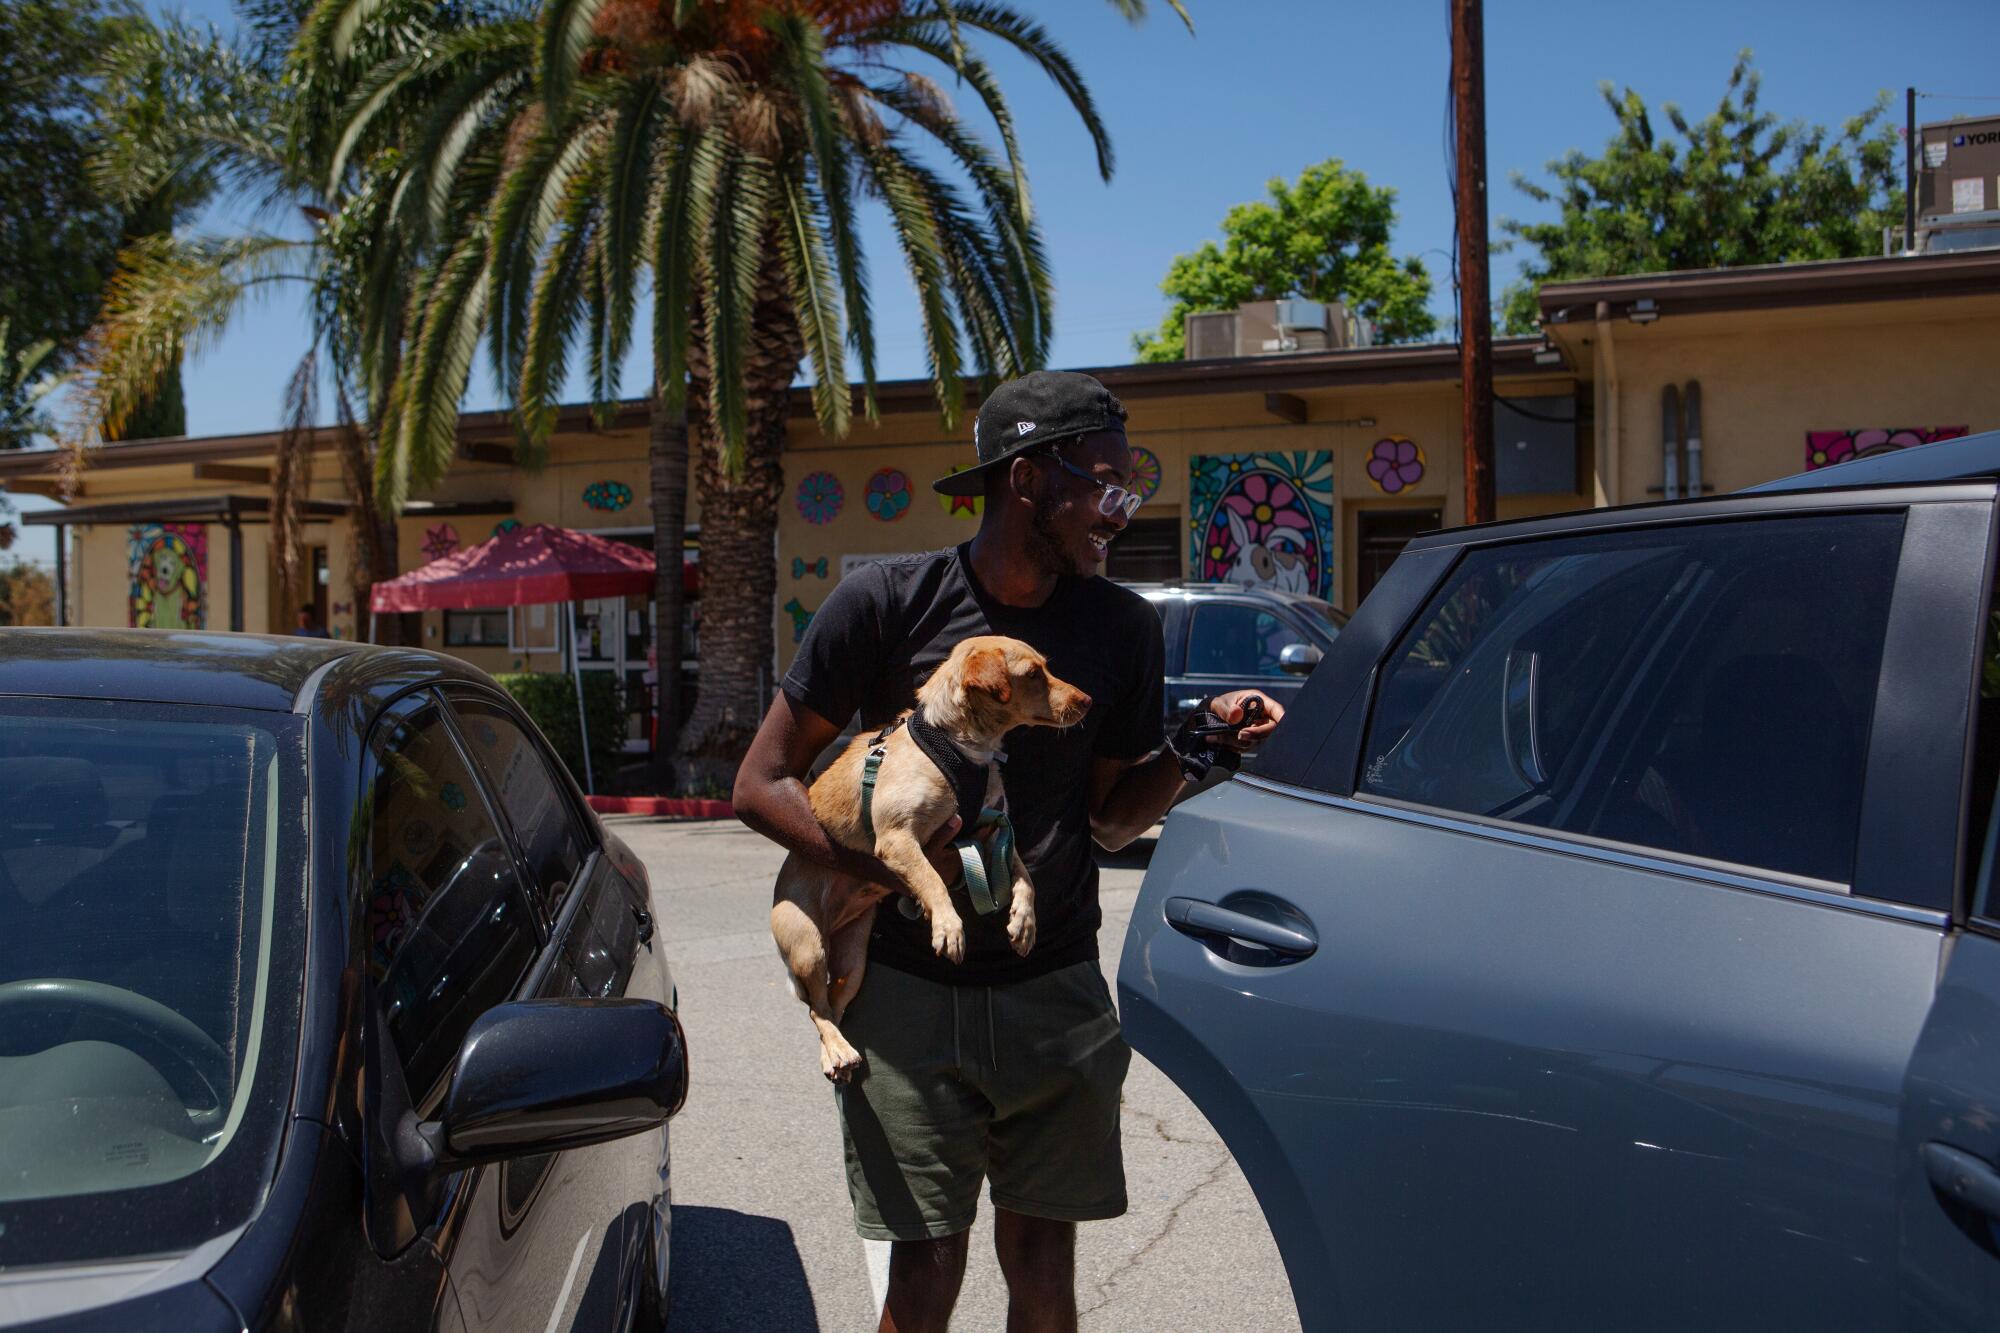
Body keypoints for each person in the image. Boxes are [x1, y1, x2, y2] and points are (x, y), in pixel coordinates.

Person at [734, 370, 1282, 1332]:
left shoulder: (1120, 626)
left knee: (1042, 1264)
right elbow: (759, 782)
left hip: (1053, 985)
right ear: (1030, 478)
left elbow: (1111, 820)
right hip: (904, 995)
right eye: (1108, 482)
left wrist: (1202, 747)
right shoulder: (886, 603)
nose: (1124, 508)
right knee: (925, 1270)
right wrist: (877, 875)